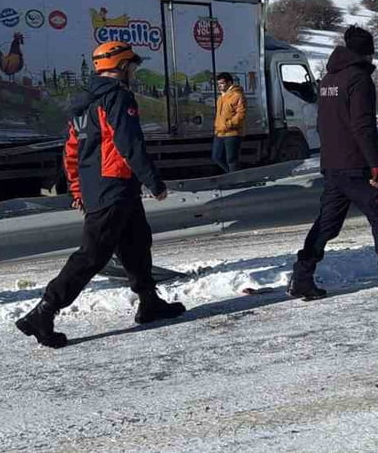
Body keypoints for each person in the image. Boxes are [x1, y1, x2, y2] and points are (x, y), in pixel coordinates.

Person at [16, 42, 185, 348]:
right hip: (114, 186)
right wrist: (154, 182)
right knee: (92, 254)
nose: (133, 71)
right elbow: (129, 143)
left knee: (136, 243)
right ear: (121, 66)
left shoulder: (83, 104)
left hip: (106, 187)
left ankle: (149, 302)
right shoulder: (117, 97)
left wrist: (79, 189)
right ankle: (43, 312)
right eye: (132, 66)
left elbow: (71, 151)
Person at [288, 26, 378, 299]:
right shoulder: (359, 79)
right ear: (368, 53)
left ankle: (301, 276)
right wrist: (375, 165)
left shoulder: (328, 80)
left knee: (326, 224)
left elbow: (323, 122)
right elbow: (363, 126)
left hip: (333, 164)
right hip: (357, 165)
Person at [212, 72, 246, 173]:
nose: (220, 86)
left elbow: (241, 115)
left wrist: (227, 125)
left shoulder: (237, 95)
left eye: (222, 83)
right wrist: (217, 127)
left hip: (232, 133)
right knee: (216, 157)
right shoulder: (221, 97)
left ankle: (235, 180)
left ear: (230, 83)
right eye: (218, 84)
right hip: (219, 133)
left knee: (232, 160)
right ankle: (233, 177)